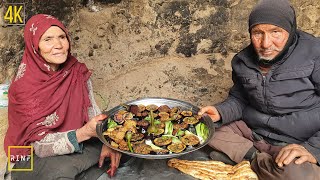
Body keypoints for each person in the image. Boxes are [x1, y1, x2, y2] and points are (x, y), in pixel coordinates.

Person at [198, 0, 320, 179]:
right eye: (257, 33)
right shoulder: (243, 61)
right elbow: (240, 99)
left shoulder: (315, 53)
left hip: (300, 140)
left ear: (291, 30)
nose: (265, 43)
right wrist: (220, 112)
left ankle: (247, 159)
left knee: (297, 174)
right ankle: (259, 159)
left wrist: (312, 149)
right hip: (255, 134)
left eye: (275, 32)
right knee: (202, 127)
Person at [3, 14, 122, 179]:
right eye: (48, 39)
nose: (58, 45)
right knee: (59, 172)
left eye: (62, 37)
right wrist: (84, 133)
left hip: (78, 139)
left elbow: (92, 112)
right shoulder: (23, 88)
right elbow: (40, 146)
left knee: (124, 146)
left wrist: (108, 141)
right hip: (35, 153)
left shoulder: (75, 71)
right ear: (34, 45)